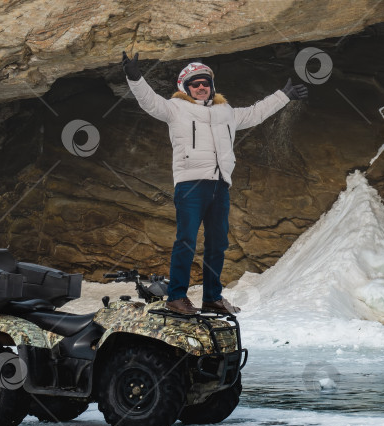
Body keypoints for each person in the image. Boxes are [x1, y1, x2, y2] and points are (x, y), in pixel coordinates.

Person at [121, 52, 308, 315]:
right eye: (195, 84)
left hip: (220, 186)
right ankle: (176, 297)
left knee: (218, 243)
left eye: (205, 83)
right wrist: (134, 76)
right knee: (186, 240)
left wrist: (284, 95)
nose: (200, 87)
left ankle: (212, 298)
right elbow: (149, 101)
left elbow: (256, 113)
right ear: (185, 88)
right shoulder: (175, 109)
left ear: (211, 86)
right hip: (190, 185)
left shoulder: (226, 112)